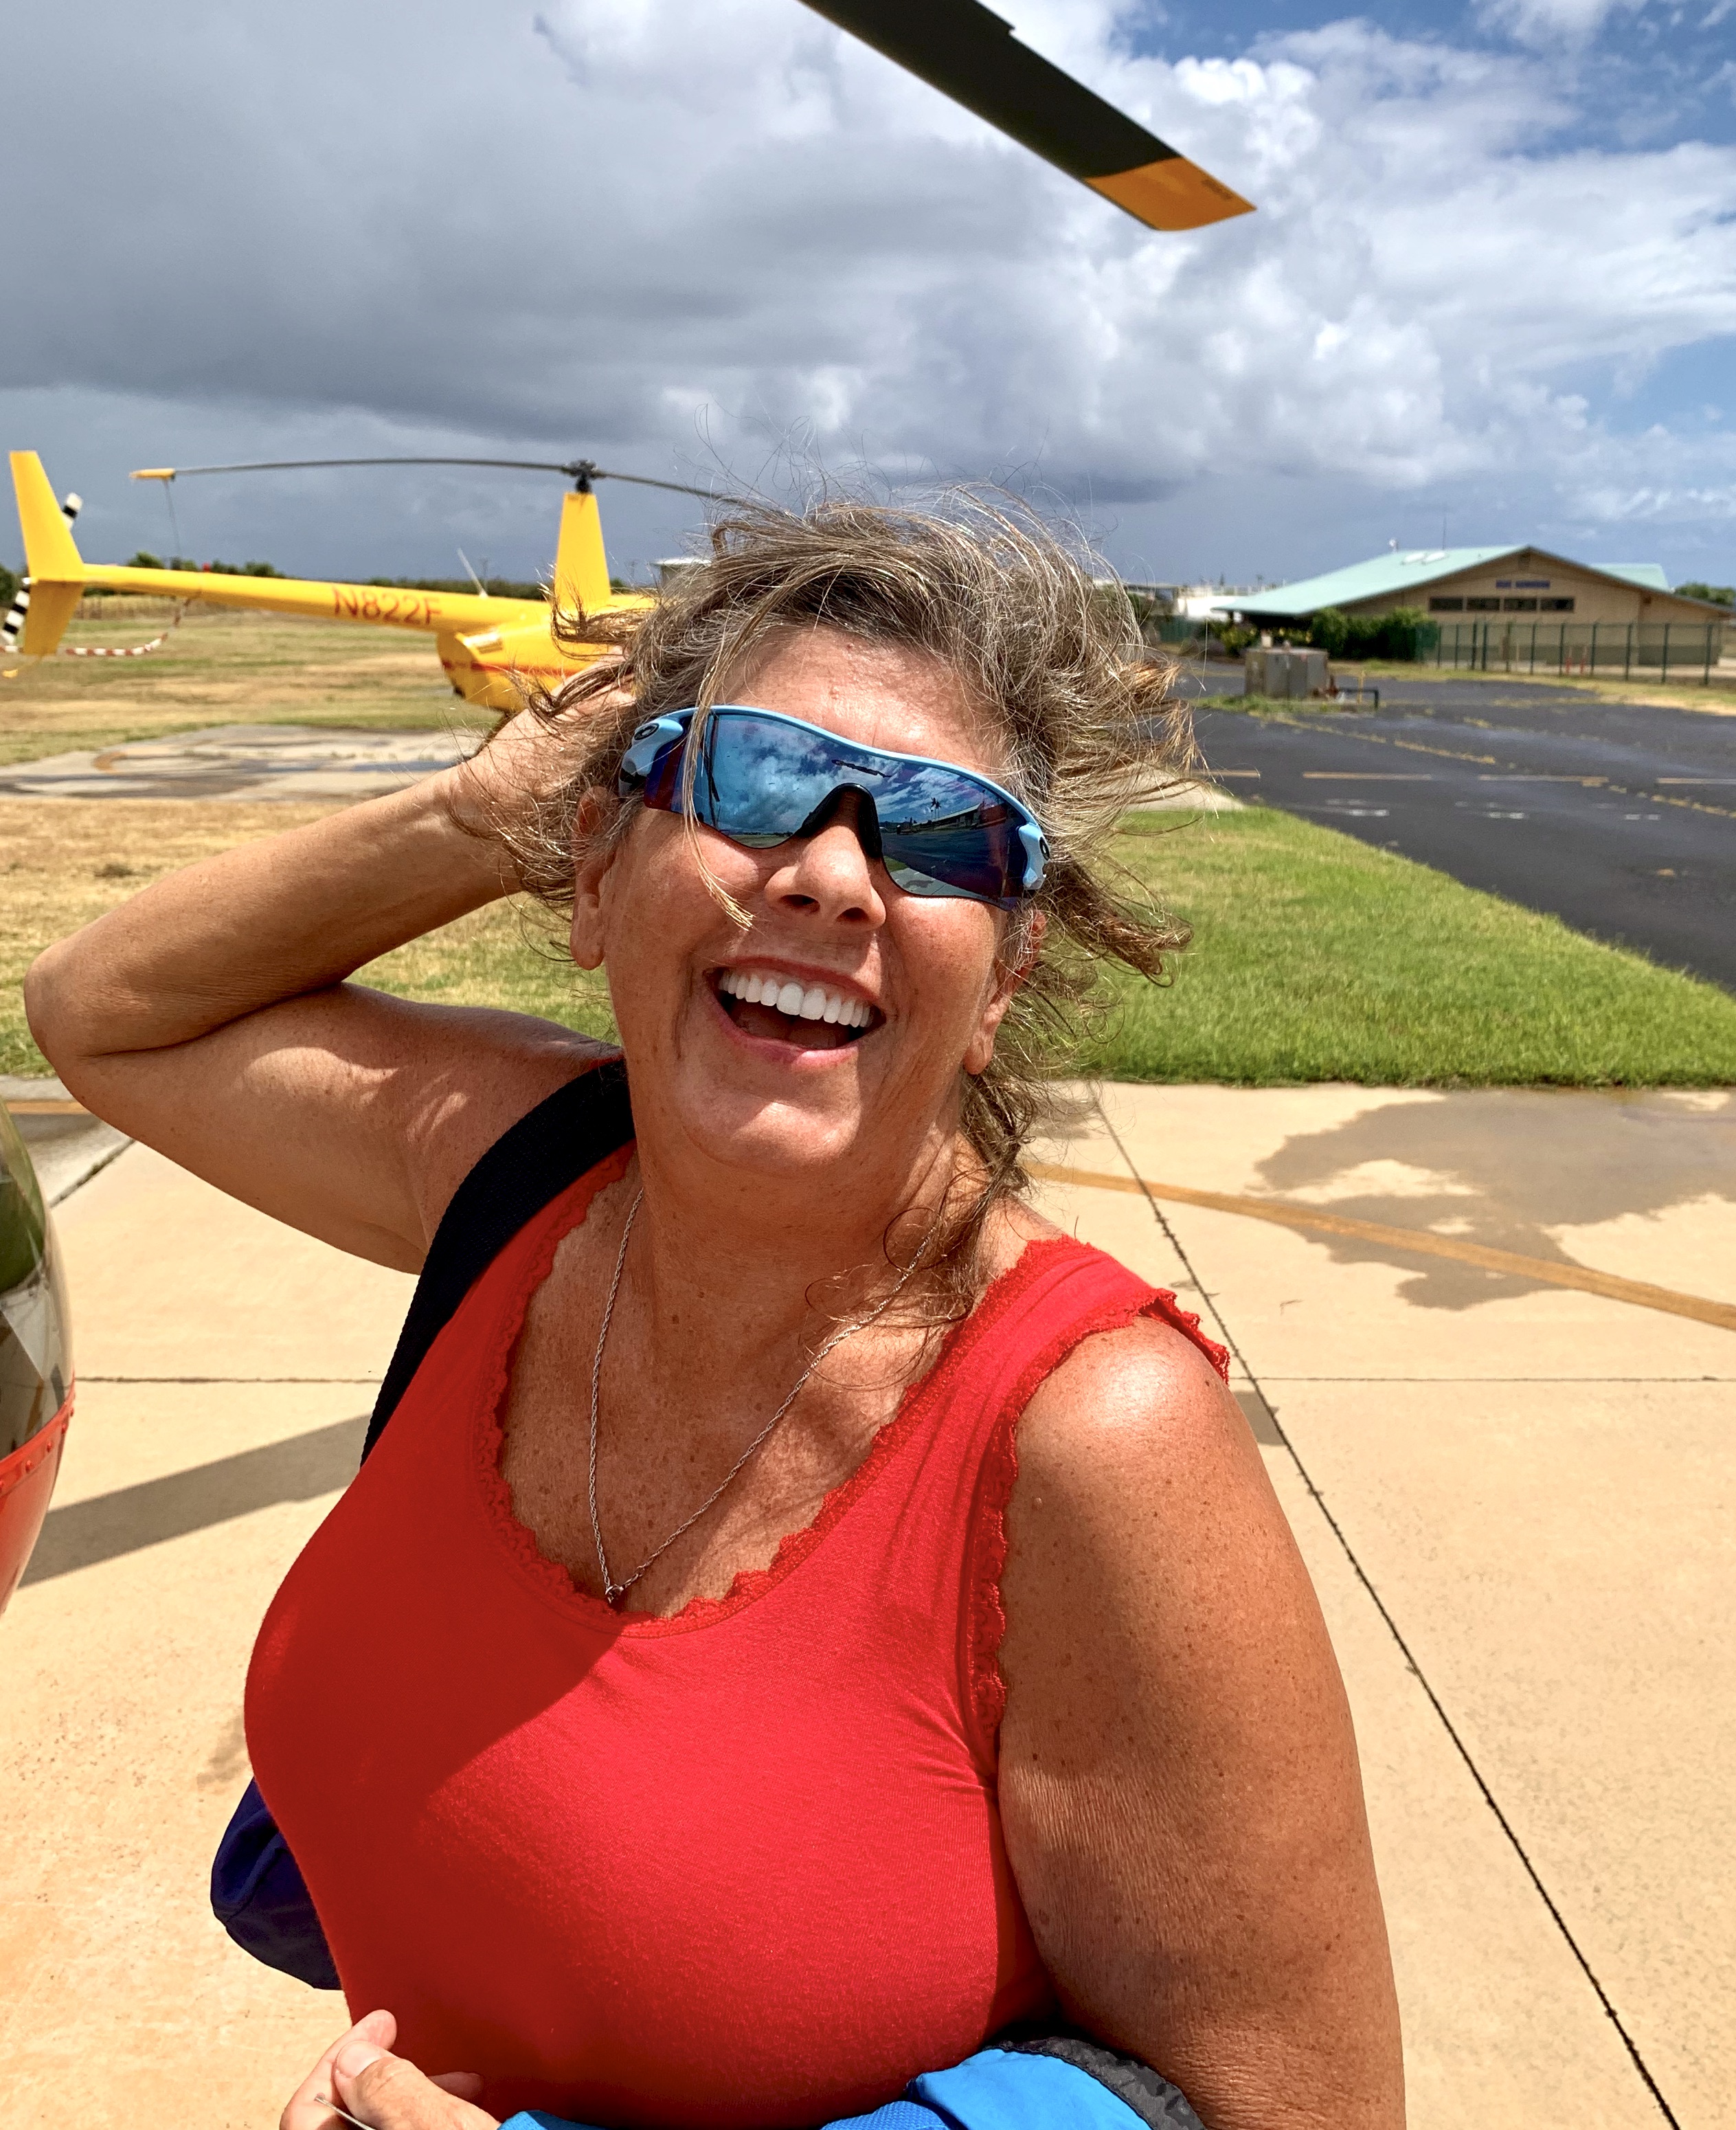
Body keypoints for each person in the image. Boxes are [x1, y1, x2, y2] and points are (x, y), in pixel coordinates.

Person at [26, 498, 1404, 2130]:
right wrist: (475, 812)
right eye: (753, 780)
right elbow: (103, 1012)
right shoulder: (513, 1167)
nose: (832, 874)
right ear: (596, 876)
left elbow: (1299, 2107)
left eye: (940, 833)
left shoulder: (1092, 1433)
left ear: (1001, 980)